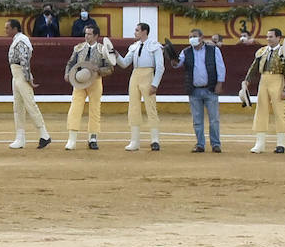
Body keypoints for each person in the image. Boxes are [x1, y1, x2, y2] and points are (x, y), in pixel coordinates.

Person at [61, 24, 116, 151]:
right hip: (79, 82)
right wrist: (67, 73)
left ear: (96, 36)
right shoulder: (78, 48)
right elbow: (70, 63)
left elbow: (110, 68)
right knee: (75, 107)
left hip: (95, 81)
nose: (86, 36)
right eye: (86, 33)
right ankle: (72, 139)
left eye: (89, 34)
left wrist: (99, 70)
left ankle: (93, 138)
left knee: (95, 109)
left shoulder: (103, 50)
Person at [171, 29, 226, 153]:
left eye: (194, 36)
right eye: (190, 37)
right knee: (197, 120)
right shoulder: (186, 51)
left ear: (201, 37)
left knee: (214, 119)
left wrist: (219, 83)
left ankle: (216, 144)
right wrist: (173, 60)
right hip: (194, 89)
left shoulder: (214, 50)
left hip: (210, 88)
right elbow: (178, 64)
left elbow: (221, 67)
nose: (192, 39)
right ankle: (200, 144)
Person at [244, 28, 285, 154]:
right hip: (264, 81)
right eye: (267, 37)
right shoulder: (262, 51)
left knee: (279, 111)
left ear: (278, 38)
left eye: (271, 37)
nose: (268, 39)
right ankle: (260, 144)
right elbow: (253, 68)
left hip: (278, 80)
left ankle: (281, 144)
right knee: (261, 111)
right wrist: (247, 81)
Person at [117, 22, 164, 152]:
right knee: (133, 107)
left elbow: (160, 67)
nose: (135, 32)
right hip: (135, 75)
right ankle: (135, 141)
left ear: (144, 31)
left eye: (137, 30)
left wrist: (155, 84)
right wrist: (115, 56)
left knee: (151, 107)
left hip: (148, 74)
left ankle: (155, 140)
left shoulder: (155, 46)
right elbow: (125, 63)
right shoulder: (134, 46)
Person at [4, 19, 50, 149]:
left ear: (15, 29)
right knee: (18, 107)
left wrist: (28, 77)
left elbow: (24, 61)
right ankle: (20, 138)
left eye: (7, 28)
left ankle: (44, 135)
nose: (6, 30)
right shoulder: (18, 40)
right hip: (16, 76)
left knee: (30, 104)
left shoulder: (21, 41)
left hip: (21, 76)